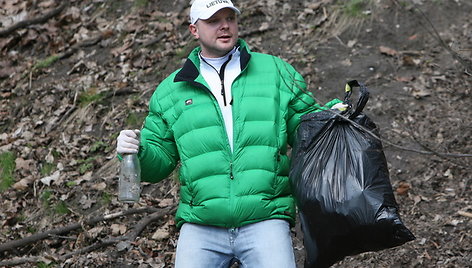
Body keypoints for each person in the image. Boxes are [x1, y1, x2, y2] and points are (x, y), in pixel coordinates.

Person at [117, 0, 345, 267]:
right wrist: (137, 151)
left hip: (265, 217)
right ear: (194, 30)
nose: (224, 26)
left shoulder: (275, 73)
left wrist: (333, 115)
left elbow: (306, 129)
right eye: (213, 21)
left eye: (230, 19)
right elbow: (159, 163)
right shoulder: (171, 91)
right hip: (201, 223)